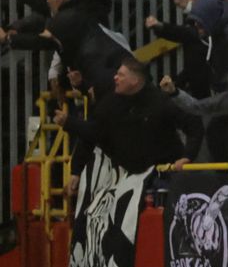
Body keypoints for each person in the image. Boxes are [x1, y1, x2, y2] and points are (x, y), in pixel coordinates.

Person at [56, 57, 203, 196]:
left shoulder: (160, 101)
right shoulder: (110, 103)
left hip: (163, 176)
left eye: (121, 75)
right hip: (129, 178)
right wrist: (76, 171)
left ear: (135, 80)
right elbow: (93, 132)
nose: (115, 78)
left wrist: (187, 156)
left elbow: (194, 125)